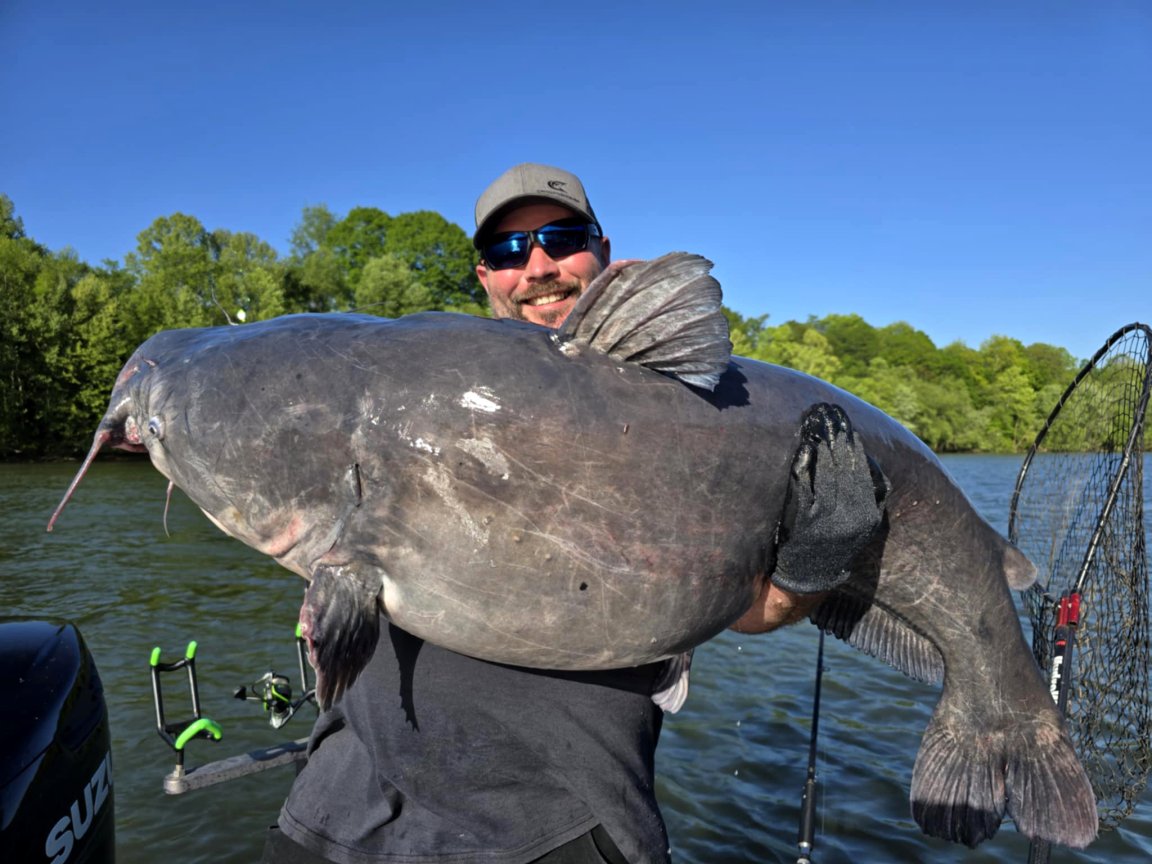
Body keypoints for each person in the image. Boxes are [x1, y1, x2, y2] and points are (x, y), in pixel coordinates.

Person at [263, 164, 883, 864]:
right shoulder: (421, 395)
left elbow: (746, 610)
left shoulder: (695, 413)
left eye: (560, 239)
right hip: (340, 806)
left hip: (559, 823)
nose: (538, 266)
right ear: (484, 276)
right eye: (508, 251)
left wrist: (816, 562)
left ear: (601, 250)